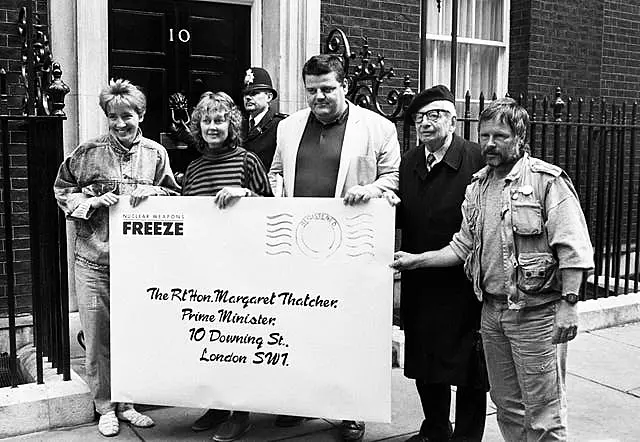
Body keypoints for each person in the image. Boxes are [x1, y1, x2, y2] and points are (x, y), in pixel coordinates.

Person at [390, 97, 594, 441]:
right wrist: (414, 260)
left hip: (536, 314)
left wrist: (569, 306)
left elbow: (573, 249)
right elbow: (461, 247)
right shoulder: (479, 185)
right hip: (492, 313)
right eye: (484, 135)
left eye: (499, 136)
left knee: (544, 412)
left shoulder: (547, 182)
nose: (489, 143)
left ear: (520, 138)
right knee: (507, 405)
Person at [269, 53, 401, 441]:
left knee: (350, 330)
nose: (319, 97)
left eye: (327, 88)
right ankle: (302, 402)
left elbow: (394, 178)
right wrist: (283, 200)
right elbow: (277, 172)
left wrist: (370, 190)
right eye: (312, 90)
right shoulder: (290, 126)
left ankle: (351, 409)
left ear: (344, 86)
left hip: (350, 249)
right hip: (299, 246)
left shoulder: (378, 127)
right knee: (301, 327)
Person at [54, 78, 180, 437]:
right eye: (113, 117)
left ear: (140, 114)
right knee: (97, 337)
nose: (121, 123)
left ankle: (128, 403)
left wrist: (150, 192)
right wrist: (91, 202)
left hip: (138, 265)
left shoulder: (156, 153)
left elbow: (173, 194)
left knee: (134, 335)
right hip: (94, 259)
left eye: (128, 116)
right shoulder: (87, 151)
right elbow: (62, 189)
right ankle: (105, 406)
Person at [395, 85, 487, 442]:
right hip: (419, 279)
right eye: (420, 118)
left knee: (469, 370)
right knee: (425, 361)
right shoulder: (410, 160)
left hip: (464, 283)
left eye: (434, 115)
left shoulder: (476, 158)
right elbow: (404, 212)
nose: (425, 124)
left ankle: (466, 437)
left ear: (452, 120)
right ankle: (434, 428)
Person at [185, 92, 272, 442]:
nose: (213, 126)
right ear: (198, 126)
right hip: (205, 265)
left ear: (231, 124)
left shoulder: (247, 161)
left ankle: (241, 412)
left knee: (238, 340)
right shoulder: (193, 167)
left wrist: (244, 194)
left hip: (242, 265)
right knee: (211, 339)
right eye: (206, 120)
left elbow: (271, 206)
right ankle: (218, 405)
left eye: (220, 119)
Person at [241, 67, 287, 171]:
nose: (248, 97)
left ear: (269, 97)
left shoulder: (280, 124)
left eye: (254, 93)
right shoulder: (239, 125)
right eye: (245, 94)